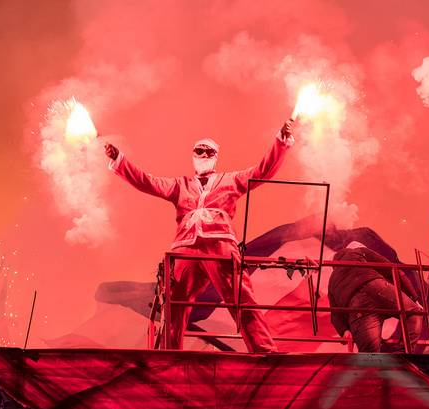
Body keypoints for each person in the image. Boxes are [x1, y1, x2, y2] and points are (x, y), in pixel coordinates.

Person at [104, 120, 295, 352]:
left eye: (209, 151)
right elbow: (148, 182)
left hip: (220, 243)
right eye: (199, 150)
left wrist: (280, 142)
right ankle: (169, 353)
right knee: (174, 301)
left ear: (216, 157)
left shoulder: (231, 180)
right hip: (186, 246)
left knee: (240, 296)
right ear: (193, 156)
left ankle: (264, 349)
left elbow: (261, 171)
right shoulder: (180, 185)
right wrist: (120, 161)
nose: (204, 154)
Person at [328, 241, 423, 353]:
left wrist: (344, 330)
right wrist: (414, 298)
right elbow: (393, 270)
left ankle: (374, 368)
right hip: (375, 287)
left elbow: (335, 314)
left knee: (370, 356)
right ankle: (401, 354)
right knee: (413, 313)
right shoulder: (359, 251)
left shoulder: (331, 281)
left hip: (356, 308)